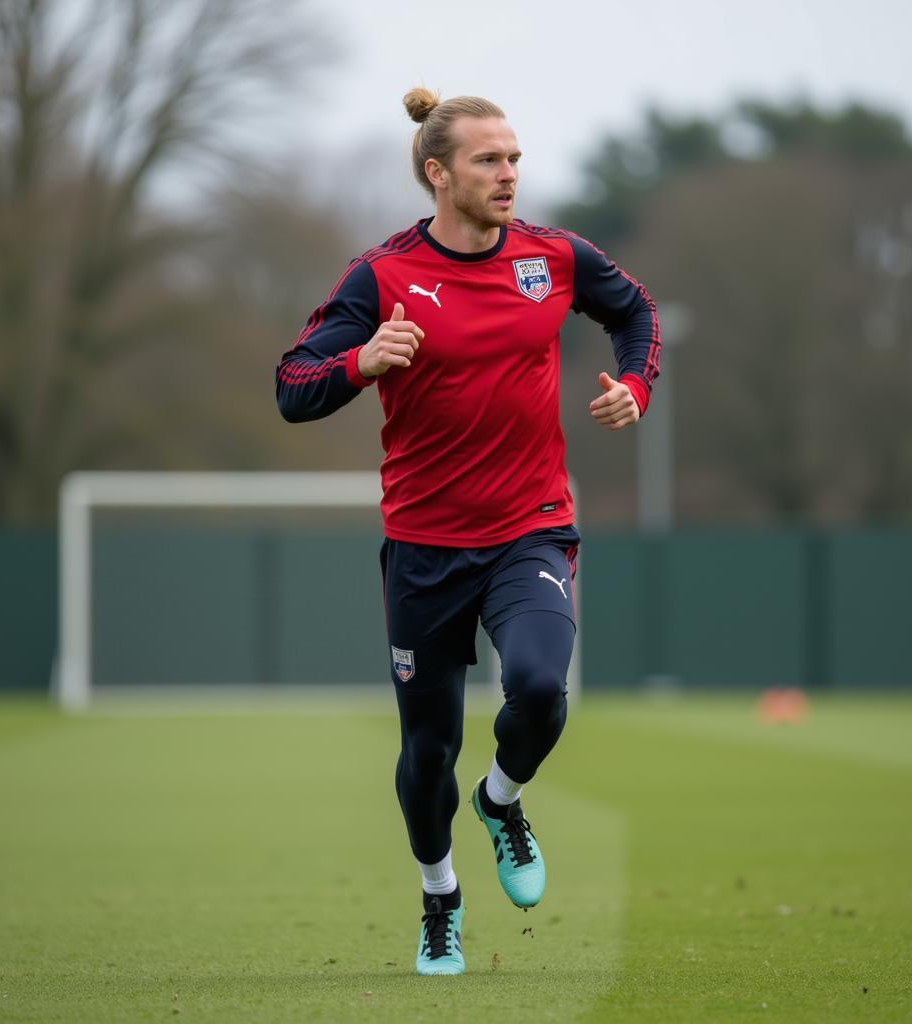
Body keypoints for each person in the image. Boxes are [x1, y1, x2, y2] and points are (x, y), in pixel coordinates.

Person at [276, 88, 660, 976]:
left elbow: (637, 312)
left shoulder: (553, 258)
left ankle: (503, 801)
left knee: (539, 689)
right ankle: (440, 896)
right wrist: (359, 361)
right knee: (427, 754)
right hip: (423, 548)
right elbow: (293, 385)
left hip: (531, 530)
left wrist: (633, 387)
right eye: (489, 160)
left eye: (515, 157)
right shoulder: (380, 277)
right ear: (436, 173)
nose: (509, 175)